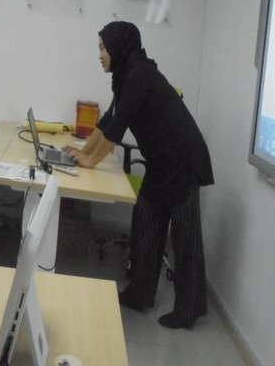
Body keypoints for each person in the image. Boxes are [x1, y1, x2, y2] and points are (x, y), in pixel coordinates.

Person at [65, 21, 214, 329]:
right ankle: (139, 293)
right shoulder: (126, 74)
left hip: (183, 160)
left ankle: (190, 309)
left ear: (118, 47)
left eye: (103, 47)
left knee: (184, 236)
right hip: (161, 161)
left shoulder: (138, 75)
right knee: (145, 220)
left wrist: (90, 161)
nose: (99, 54)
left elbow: (117, 129)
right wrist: (81, 150)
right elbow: (109, 120)